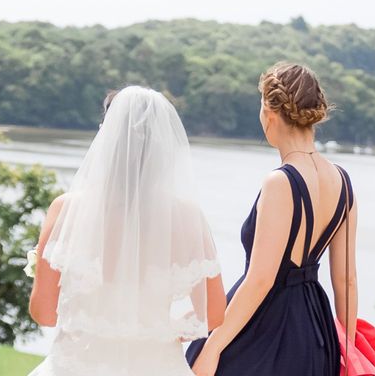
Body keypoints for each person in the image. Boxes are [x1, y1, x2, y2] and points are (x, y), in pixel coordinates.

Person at [29, 85, 227, 376]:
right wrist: (166, 329)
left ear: (106, 139)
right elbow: (214, 313)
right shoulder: (188, 218)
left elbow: (44, 313)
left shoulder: (66, 210)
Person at [187, 62, 358, 376]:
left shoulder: (280, 182)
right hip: (316, 330)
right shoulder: (343, 182)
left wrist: (213, 347)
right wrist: (349, 350)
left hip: (268, 328)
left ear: (270, 112)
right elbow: (346, 280)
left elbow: (261, 279)